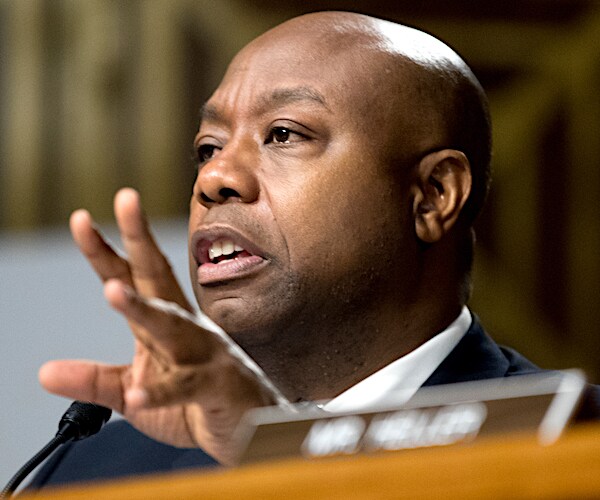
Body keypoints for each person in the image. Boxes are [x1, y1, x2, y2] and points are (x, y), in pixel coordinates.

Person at [29, 10, 599, 488]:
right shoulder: (87, 472)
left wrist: (275, 456)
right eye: (207, 147)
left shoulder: (578, 444)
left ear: (432, 196)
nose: (215, 178)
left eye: (283, 134)